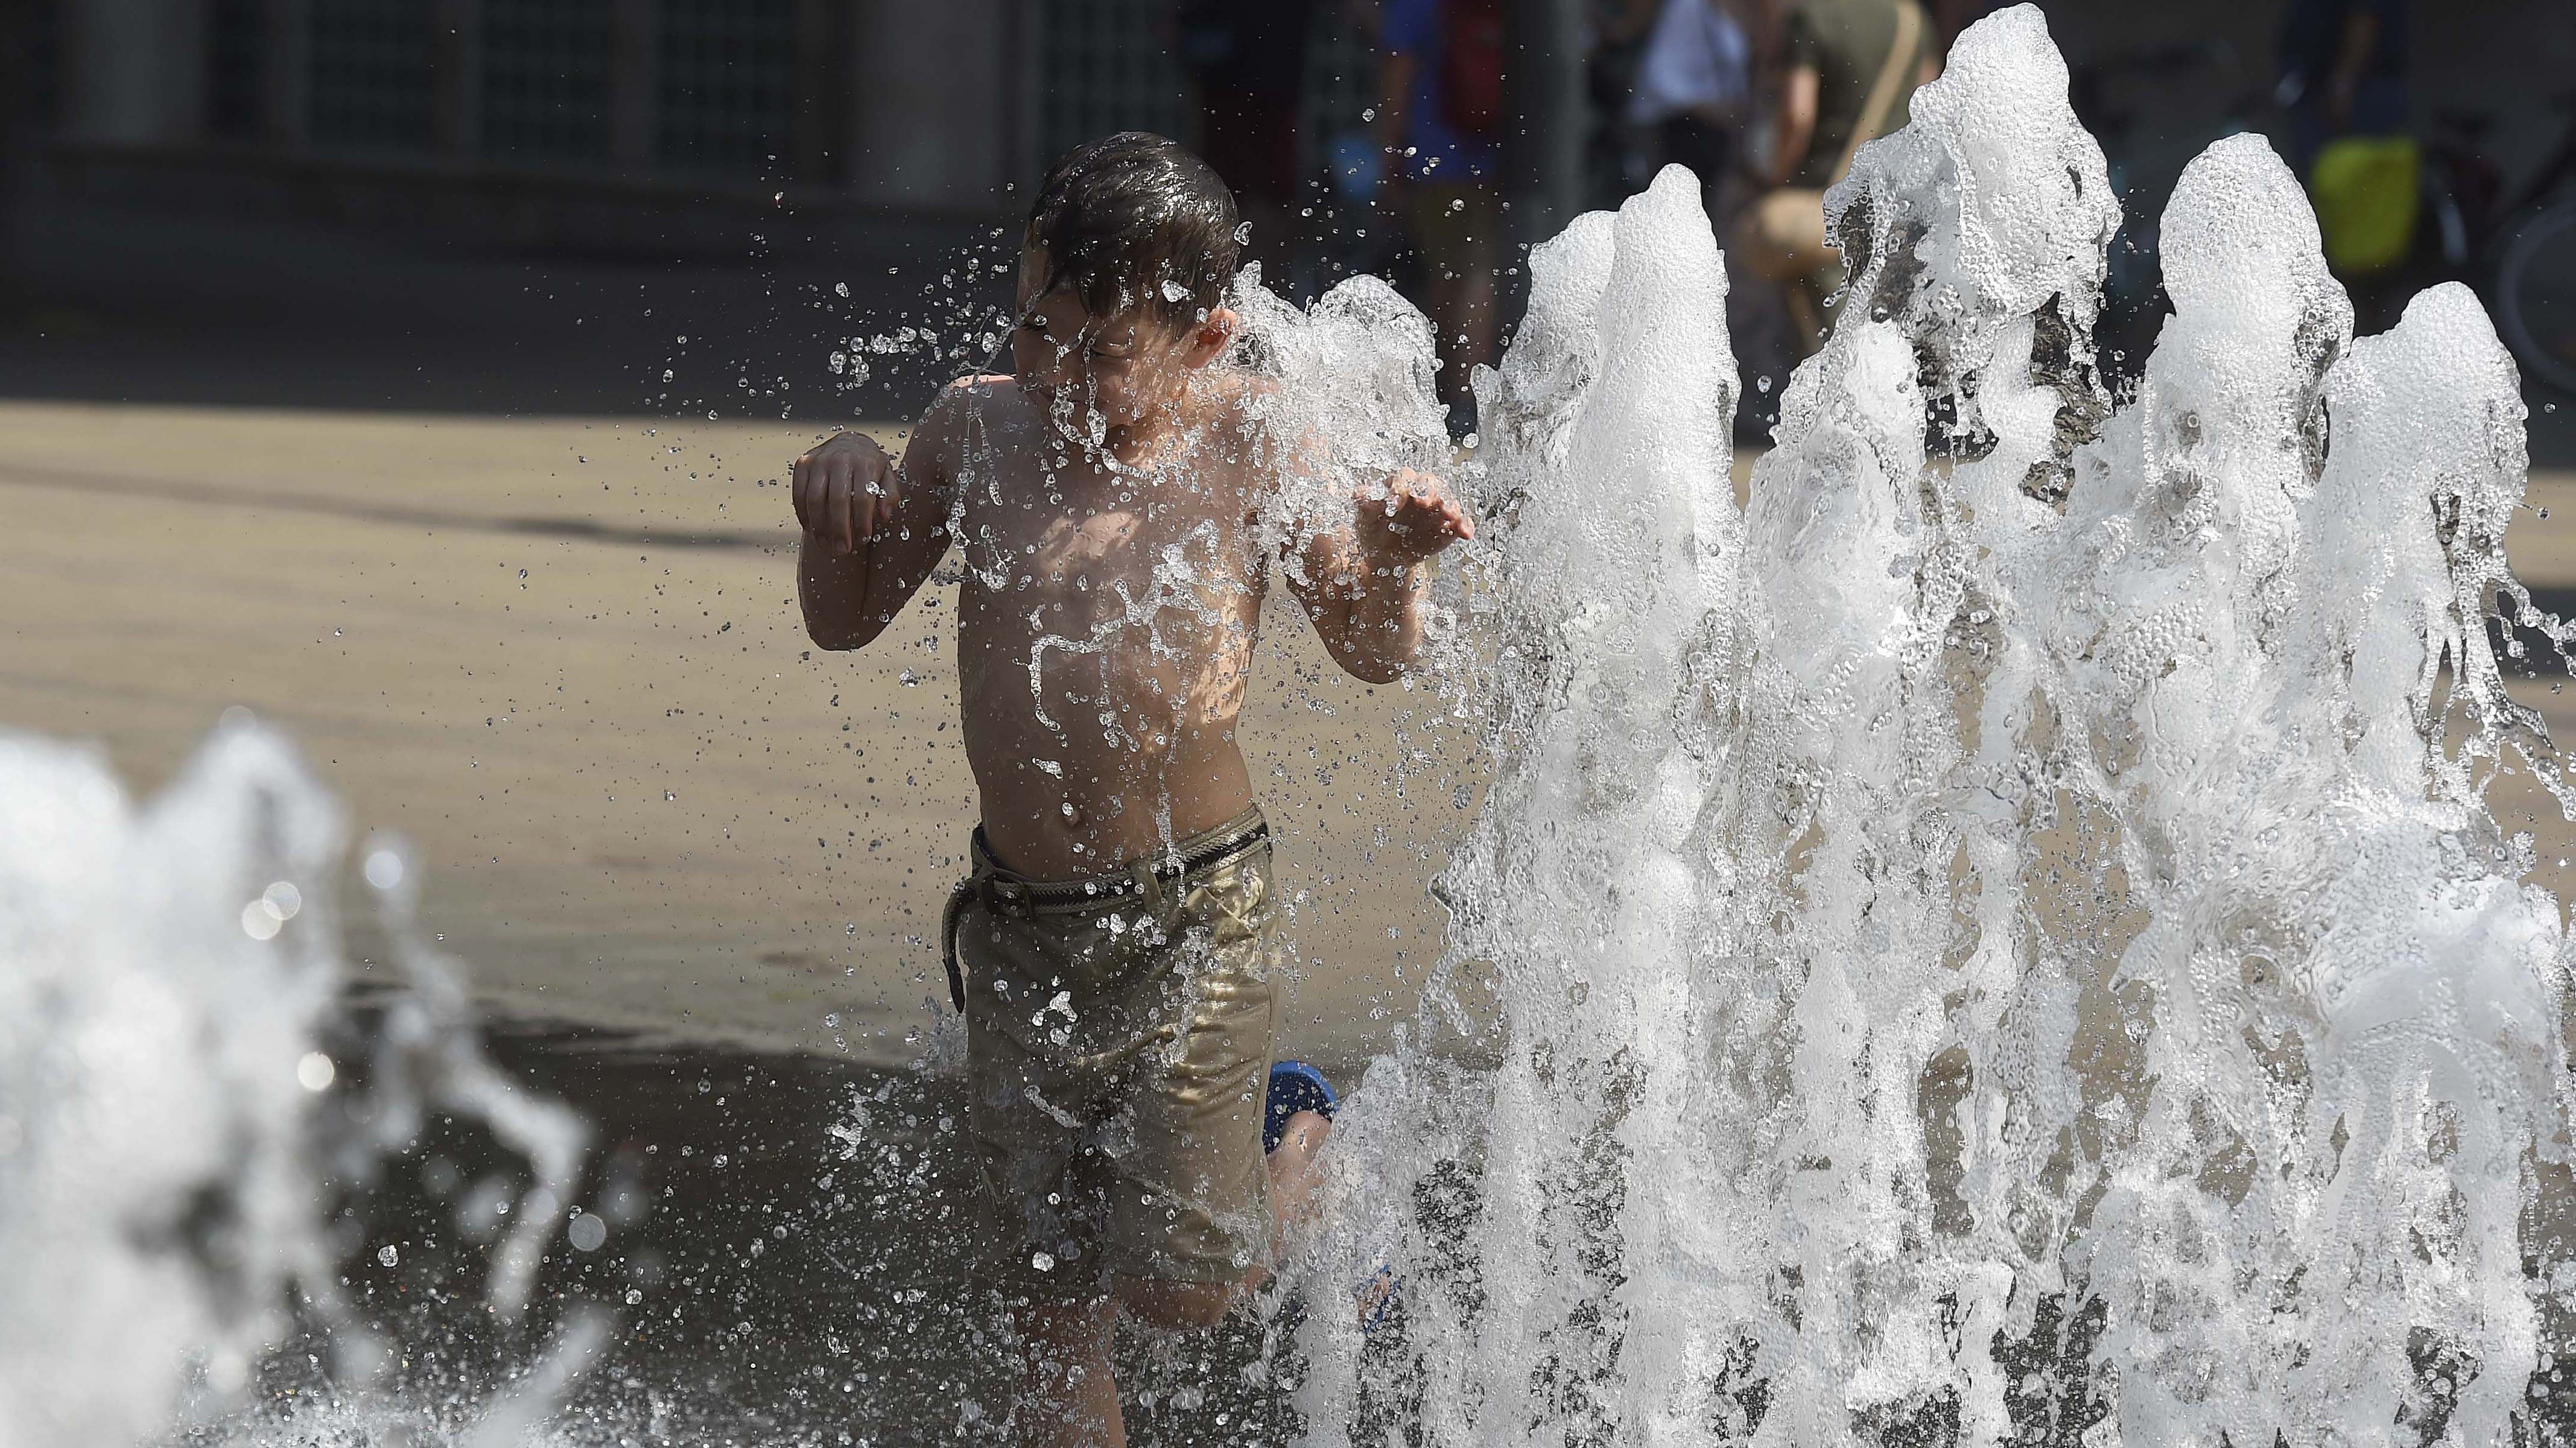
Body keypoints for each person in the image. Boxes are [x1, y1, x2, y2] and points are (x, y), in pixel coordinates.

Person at [788, 132, 1473, 1446]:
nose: (1055, 375)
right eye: (1035, 329)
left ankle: (1301, 1140)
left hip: (1192, 917)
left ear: (1208, 338)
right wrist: (838, 516)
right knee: (1045, 1299)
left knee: (1181, 1286)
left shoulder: (1256, 441)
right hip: (1017, 922)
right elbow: (847, 619)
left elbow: (1373, 652)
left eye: (1099, 354)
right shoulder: (975, 427)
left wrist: (1393, 561)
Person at [1748, 0, 1937, 354]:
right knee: (1879, 342)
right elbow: (1925, 110)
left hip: (1821, 213)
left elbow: (1797, 116)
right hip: (1887, 211)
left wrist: (1773, 178)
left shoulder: (1811, 16)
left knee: (1816, 346)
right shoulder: (1913, 20)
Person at [1378, 0, 1506, 434]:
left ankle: (1456, 394)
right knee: (1478, 269)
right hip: (1486, 149)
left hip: (1434, 154)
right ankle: (1468, 390)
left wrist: (1389, 148)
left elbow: (1400, 66)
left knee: (1451, 273)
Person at [1176, 0, 1318, 285]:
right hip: (1239, 87)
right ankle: (1251, 286)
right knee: (1232, 200)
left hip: (1262, 88)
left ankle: (1257, 286)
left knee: (1262, 202)